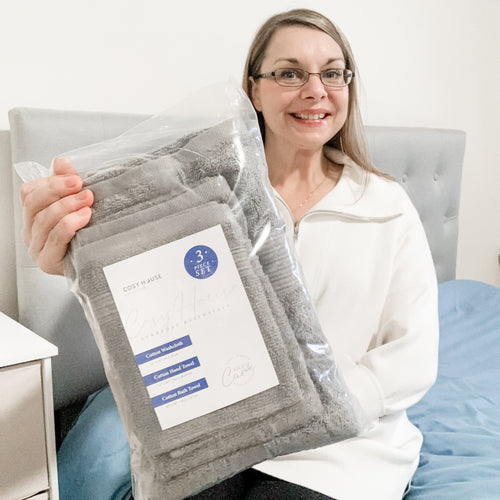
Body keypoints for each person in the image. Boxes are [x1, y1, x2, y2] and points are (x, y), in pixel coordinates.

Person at [20, 8, 439, 500]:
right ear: (254, 90)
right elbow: (141, 298)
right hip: (213, 438)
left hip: (343, 447)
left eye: (332, 72)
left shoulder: (386, 208)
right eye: (289, 73)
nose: (315, 89)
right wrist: (70, 255)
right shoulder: (203, 193)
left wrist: (330, 406)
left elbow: (412, 356)